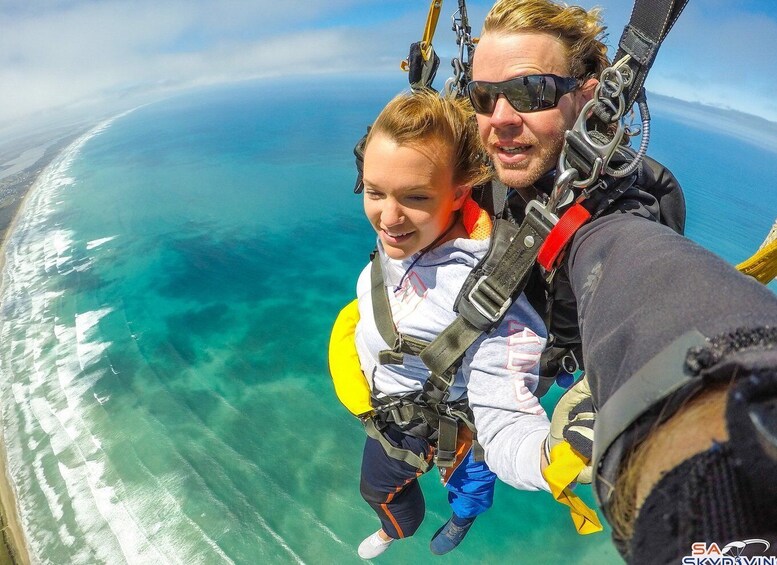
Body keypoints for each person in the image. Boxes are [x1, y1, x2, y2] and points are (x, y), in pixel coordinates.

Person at [346, 89, 557, 559]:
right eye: (375, 192)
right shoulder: (415, 228)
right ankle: (399, 528)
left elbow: (507, 417)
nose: (389, 217)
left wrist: (552, 459)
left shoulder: (485, 293)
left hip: (439, 417)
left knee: (469, 485)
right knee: (379, 490)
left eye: (415, 198)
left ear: (460, 192)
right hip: (395, 397)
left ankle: (457, 522)